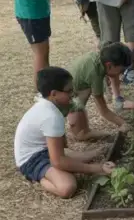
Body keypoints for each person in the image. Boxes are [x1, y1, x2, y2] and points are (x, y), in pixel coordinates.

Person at [14, 67, 115, 198]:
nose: (72, 94)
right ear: (54, 93)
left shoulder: (48, 104)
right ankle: (40, 178)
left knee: (86, 157)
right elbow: (58, 162)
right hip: (31, 159)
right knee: (67, 187)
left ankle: (93, 155)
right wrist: (98, 169)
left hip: (45, 149)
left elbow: (61, 150)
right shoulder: (51, 116)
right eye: (69, 91)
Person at [67, 42, 134, 140]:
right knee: (79, 103)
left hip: (73, 84)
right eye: (121, 70)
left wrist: (119, 100)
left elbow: (112, 75)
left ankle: (82, 127)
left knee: (83, 95)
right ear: (109, 65)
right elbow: (103, 110)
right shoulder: (95, 75)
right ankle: (80, 133)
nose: (121, 74)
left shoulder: (101, 59)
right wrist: (123, 123)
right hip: (68, 94)